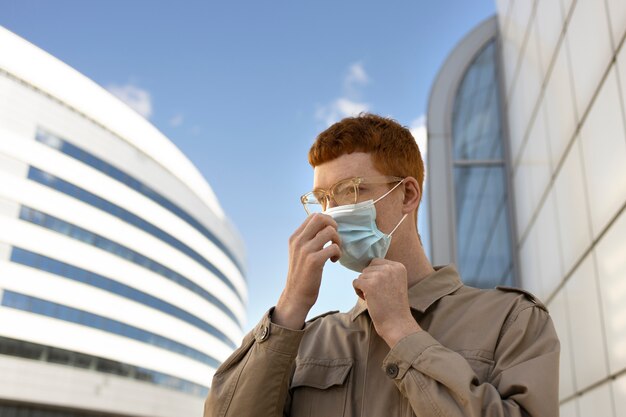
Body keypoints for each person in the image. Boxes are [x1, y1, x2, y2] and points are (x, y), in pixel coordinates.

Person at [204, 114, 560, 416]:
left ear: (407, 195)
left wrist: (403, 332)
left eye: (350, 190)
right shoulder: (307, 339)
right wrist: (289, 307)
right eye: (323, 198)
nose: (331, 213)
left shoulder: (511, 319)